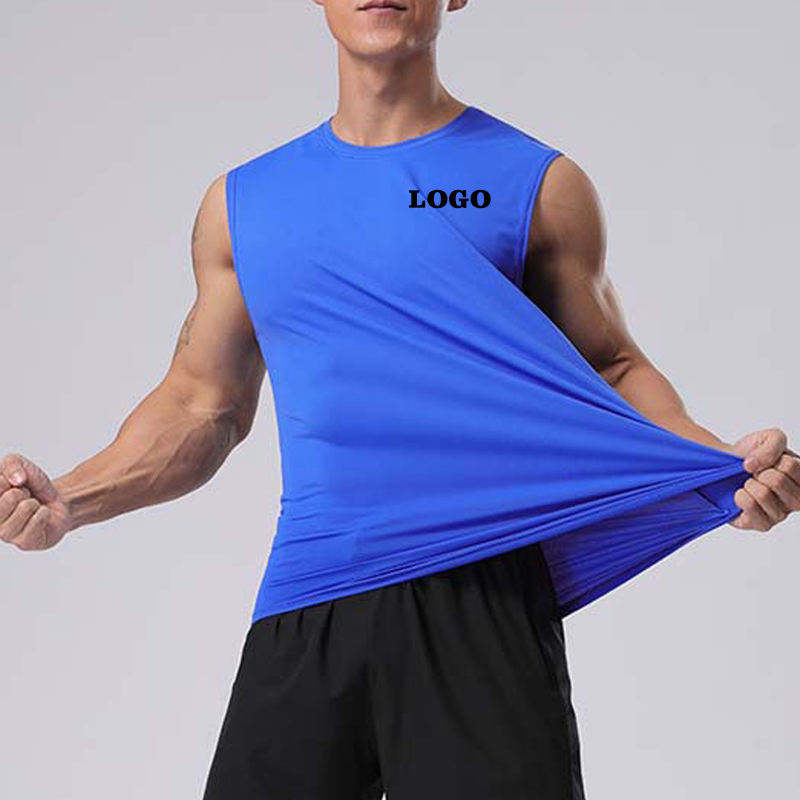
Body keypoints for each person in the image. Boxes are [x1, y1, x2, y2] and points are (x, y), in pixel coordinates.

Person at [2, 1, 798, 798]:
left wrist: (720, 469)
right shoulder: (245, 203)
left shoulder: (534, 183)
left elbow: (613, 366)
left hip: (482, 597)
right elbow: (200, 405)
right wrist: (71, 498)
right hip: (311, 598)